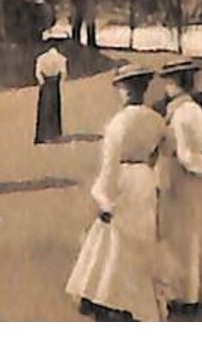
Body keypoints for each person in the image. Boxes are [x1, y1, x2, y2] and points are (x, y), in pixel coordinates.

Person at [65, 63, 171, 322]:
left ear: (125, 91)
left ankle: (111, 298)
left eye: (122, 89)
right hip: (144, 179)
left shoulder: (117, 124)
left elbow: (109, 166)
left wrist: (104, 199)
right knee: (140, 239)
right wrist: (151, 171)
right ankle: (136, 298)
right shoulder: (156, 120)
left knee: (115, 241)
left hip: (122, 179)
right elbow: (165, 151)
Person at [157, 58, 202, 314]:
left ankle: (184, 292)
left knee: (183, 233)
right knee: (198, 231)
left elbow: (185, 152)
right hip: (197, 177)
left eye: (169, 81)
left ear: (176, 83)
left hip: (183, 176)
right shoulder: (194, 110)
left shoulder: (180, 114)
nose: (166, 87)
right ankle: (201, 289)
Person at [34, 45, 68, 144]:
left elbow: (38, 73)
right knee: (54, 107)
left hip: (45, 82)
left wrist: (42, 83)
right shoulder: (61, 58)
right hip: (54, 83)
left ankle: (43, 134)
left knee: (44, 108)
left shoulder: (41, 58)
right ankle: (54, 133)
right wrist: (60, 82)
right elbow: (64, 73)